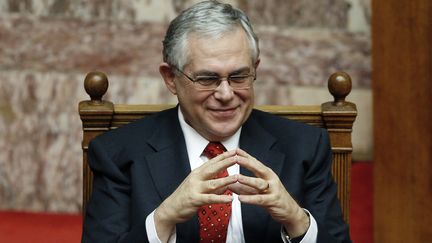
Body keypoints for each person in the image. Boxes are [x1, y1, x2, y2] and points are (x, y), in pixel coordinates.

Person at [82, 1, 351, 243]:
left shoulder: (304, 148)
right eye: (207, 79)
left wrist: (297, 220)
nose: (226, 94)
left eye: (239, 76)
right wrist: (163, 219)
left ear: (255, 68)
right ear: (171, 79)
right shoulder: (119, 154)